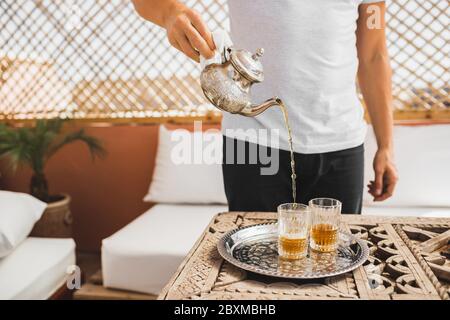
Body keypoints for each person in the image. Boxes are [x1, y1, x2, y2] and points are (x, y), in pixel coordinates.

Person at [132, 0, 398, 214]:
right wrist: (170, 12)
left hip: (341, 146)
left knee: (336, 266)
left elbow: (374, 55)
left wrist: (386, 145)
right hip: (251, 141)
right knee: (254, 271)